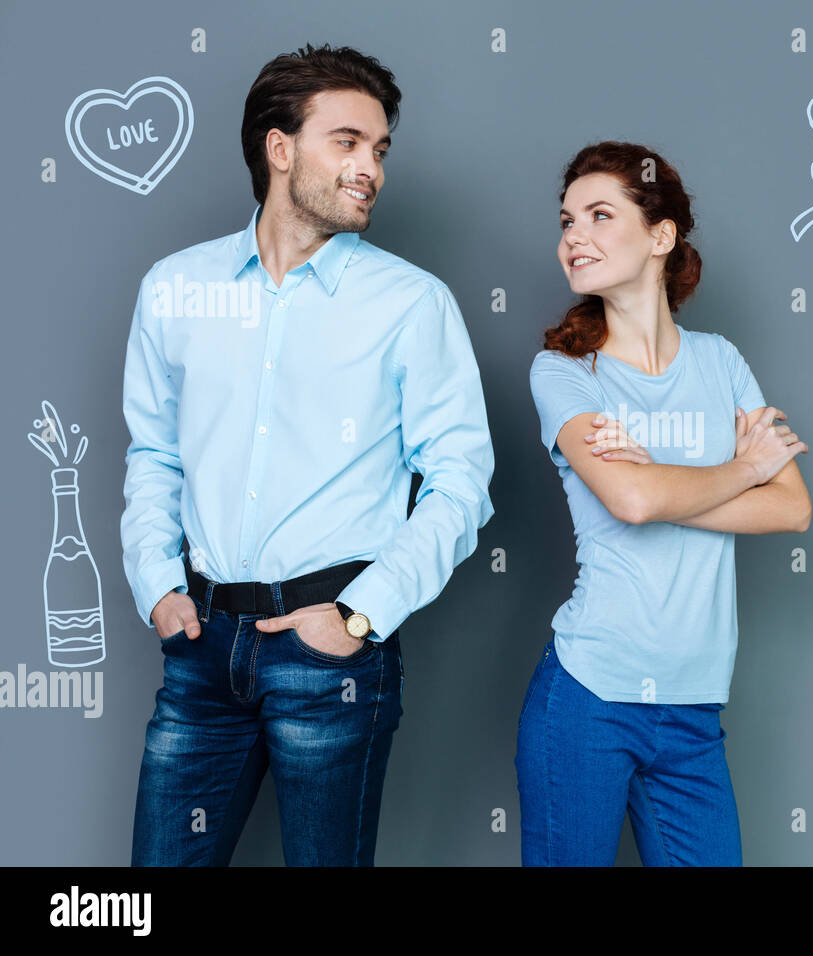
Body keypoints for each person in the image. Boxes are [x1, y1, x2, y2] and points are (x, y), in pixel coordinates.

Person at [120, 43, 494, 866]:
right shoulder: (174, 289)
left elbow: (462, 483)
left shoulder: (412, 304)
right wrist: (156, 585)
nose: (372, 169)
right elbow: (154, 451)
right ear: (279, 148)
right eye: (348, 142)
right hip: (199, 648)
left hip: (330, 658)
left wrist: (362, 617)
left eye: (381, 150)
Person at [518, 141, 811, 866]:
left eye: (597, 215)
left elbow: (793, 509)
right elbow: (633, 499)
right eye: (566, 221)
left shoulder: (721, 360)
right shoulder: (563, 371)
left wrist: (658, 487)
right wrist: (742, 469)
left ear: (660, 235)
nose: (573, 237)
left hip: (694, 708)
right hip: (588, 700)